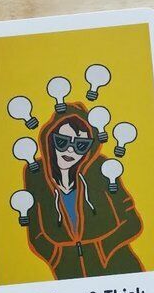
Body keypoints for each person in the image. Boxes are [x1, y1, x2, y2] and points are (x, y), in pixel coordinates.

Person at [23, 102, 143, 279]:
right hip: (69, 276)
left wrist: (101, 249)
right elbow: (36, 233)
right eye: (62, 141)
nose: (70, 149)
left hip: (121, 270)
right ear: (50, 139)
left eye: (81, 145)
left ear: (89, 147)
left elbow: (132, 221)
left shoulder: (102, 168)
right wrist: (57, 258)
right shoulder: (35, 174)